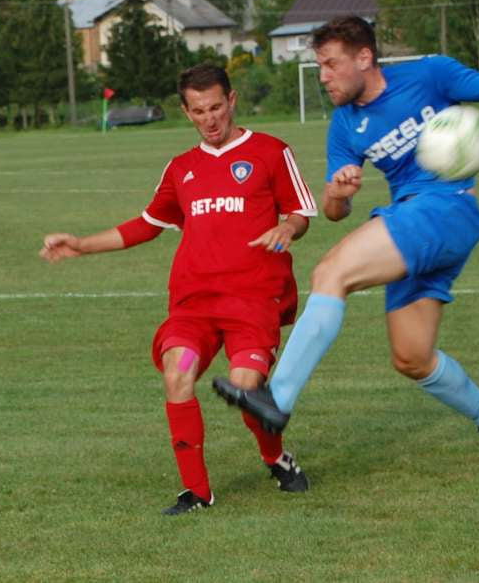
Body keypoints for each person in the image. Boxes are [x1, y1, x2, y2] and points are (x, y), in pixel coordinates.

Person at [214, 15, 479, 464]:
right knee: (412, 357)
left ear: (364, 58)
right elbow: (333, 212)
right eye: (320, 66)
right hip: (415, 219)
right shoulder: (344, 126)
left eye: (331, 64)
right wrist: (338, 194)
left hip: (447, 207)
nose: (323, 76)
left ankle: (279, 397)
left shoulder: (430, 73)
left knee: (331, 271)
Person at [39, 64, 318, 515]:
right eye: (197, 111)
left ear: (232, 100)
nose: (209, 120)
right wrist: (80, 245)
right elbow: (147, 225)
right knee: (178, 373)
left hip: (253, 300)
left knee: (247, 389)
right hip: (194, 303)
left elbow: (301, 212)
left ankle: (275, 457)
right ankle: (197, 493)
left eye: (215, 108)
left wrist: (287, 226)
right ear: (186, 112)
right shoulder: (181, 168)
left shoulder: (270, 152)